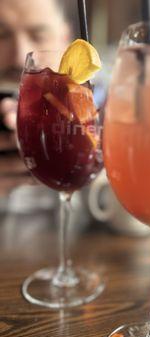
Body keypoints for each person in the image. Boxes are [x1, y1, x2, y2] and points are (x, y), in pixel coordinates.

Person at [0, 0, 73, 195]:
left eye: (39, 36)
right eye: (1, 35)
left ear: (65, 39)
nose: (20, 56)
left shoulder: (101, 107)